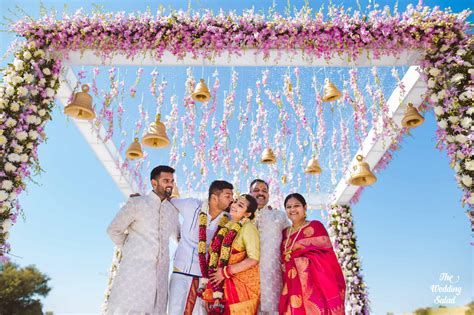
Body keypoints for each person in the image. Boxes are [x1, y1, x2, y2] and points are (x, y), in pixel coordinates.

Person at [106, 165, 180, 315]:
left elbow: (179, 238)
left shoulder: (172, 211)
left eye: (172, 181)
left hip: (159, 279)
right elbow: (113, 230)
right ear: (154, 183)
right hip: (134, 275)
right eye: (166, 180)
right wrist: (130, 247)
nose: (170, 184)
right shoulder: (137, 203)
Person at [168, 180, 234, 315]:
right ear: (214, 197)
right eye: (228, 196)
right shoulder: (191, 206)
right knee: (176, 311)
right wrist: (140, 198)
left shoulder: (228, 219)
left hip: (204, 278)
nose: (232, 200)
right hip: (181, 272)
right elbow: (169, 201)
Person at [279, 193, 346, 315]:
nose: (292, 209)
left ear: (305, 208)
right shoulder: (284, 233)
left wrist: (297, 262)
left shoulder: (315, 226)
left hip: (314, 286)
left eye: (296, 205)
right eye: (288, 207)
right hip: (289, 285)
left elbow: (325, 256)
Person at [205, 194, 260, 315]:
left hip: (239, 289)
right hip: (219, 287)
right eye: (235, 202)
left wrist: (225, 272)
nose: (234, 205)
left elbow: (254, 258)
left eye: (240, 205)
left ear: (247, 214)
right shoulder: (225, 227)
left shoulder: (248, 227)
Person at [249, 179, 289, 314]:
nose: (260, 193)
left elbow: (292, 240)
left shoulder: (279, 216)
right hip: (246, 279)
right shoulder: (240, 215)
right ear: (249, 193)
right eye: (256, 190)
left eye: (264, 191)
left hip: (272, 279)